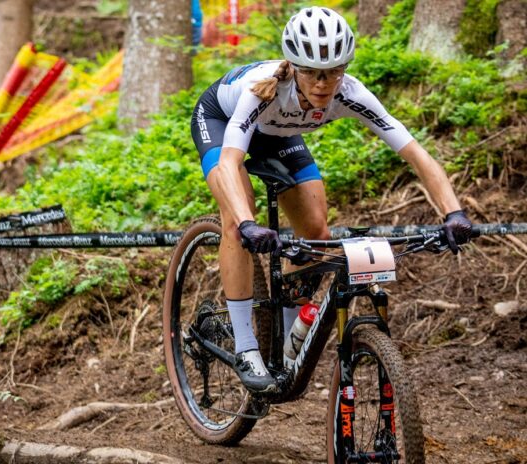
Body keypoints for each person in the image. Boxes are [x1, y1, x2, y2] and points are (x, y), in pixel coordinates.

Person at [189, 6, 472, 393]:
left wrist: (453, 212)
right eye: (311, 72)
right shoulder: (262, 87)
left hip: (279, 133)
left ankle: (287, 341)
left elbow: (418, 156)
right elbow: (229, 161)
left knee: (316, 231)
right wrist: (247, 223)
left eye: (334, 72)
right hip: (222, 120)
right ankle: (246, 346)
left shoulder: (352, 93)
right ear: (294, 66)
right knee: (237, 219)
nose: (323, 84)